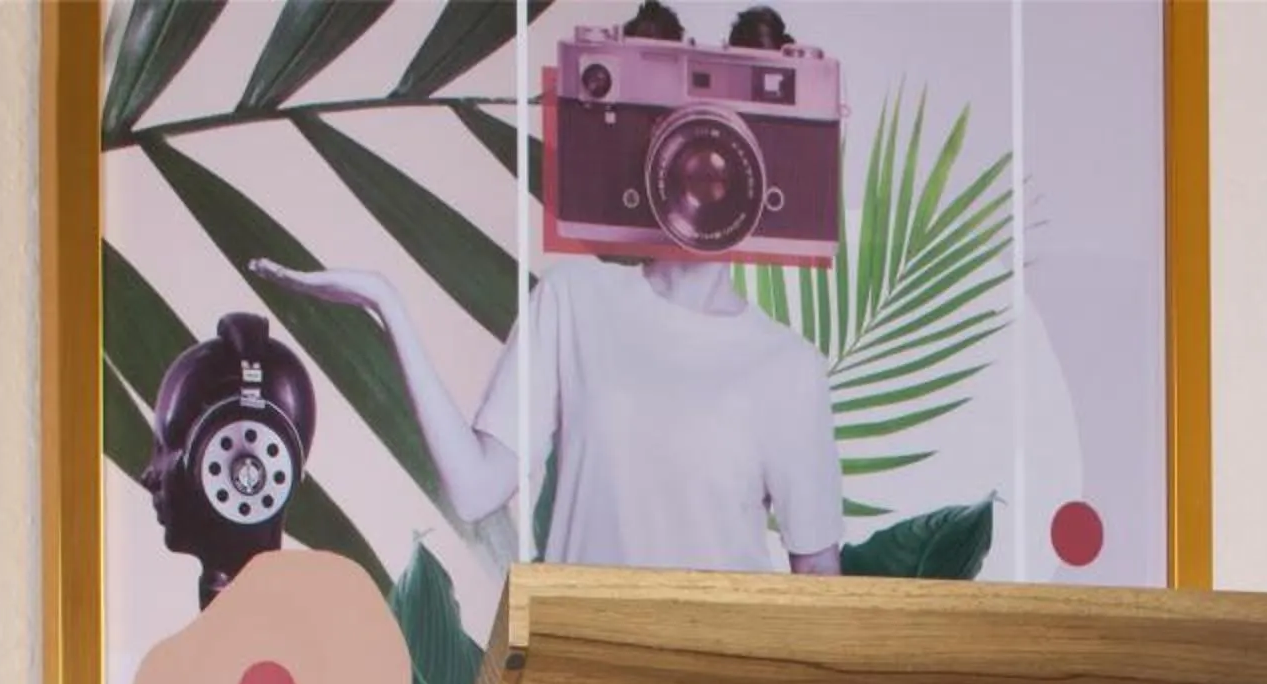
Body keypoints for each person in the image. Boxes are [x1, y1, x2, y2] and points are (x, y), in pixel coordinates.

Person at [246, 7, 844, 587]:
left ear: (763, 161)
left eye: (722, 156)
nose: (705, 175)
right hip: (582, 670)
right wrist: (388, 306)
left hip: (718, 677)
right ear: (652, 145)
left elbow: (819, 581)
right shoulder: (573, 299)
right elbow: (476, 487)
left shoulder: (790, 367)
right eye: (688, 142)